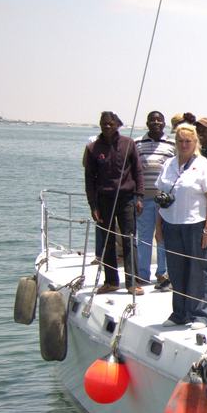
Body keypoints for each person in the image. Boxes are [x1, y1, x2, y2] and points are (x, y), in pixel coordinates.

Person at [154, 124, 207, 329]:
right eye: (180, 141)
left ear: (195, 143)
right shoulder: (169, 165)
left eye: (188, 141)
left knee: (199, 271)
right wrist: (158, 227)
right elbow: (160, 199)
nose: (184, 144)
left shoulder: (203, 165)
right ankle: (180, 313)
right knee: (176, 270)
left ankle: (201, 315)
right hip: (171, 224)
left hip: (195, 225)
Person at [84, 111, 144, 295]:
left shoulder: (129, 144)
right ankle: (111, 281)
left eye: (110, 123)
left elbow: (138, 171)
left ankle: (132, 282)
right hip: (103, 200)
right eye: (103, 123)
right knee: (107, 241)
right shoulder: (92, 148)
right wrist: (92, 205)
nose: (107, 126)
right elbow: (89, 180)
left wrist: (139, 197)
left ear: (117, 124)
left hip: (126, 198)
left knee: (129, 239)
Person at [135, 110, 176, 290]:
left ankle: (162, 273)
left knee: (163, 237)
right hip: (144, 199)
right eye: (153, 120)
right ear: (147, 123)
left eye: (159, 120)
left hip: (164, 200)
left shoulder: (172, 144)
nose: (156, 122)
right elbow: (133, 172)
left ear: (164, 123)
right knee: (143, 237)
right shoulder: (137, 143)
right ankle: (143, 275)